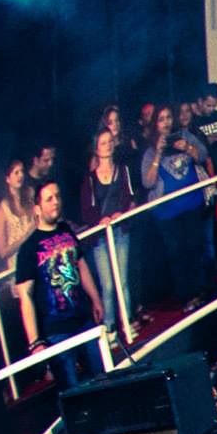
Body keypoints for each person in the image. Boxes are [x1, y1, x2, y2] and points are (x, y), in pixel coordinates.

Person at [14, 182, 105, 388]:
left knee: (102, 376)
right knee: (70, 388)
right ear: (37, 209)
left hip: (83, 320)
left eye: (57, 196)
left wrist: (95, 299)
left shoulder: (66, 231)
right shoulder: (29, 248)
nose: (56, 202)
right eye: (49, 199)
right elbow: (25, 295)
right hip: (56, 330)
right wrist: (35, 342)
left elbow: (81, 265)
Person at [140, 105, 214, 307]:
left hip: (192, 204)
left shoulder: (184, 135)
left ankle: (202, 292)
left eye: (168, 117)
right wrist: (158, 154)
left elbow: (203, 155)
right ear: (155, 124)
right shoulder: (150, 150)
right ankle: (186, 297)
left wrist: (188, 147)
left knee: (196, 247)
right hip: (168, 212)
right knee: (177, 253)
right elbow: (147, 182)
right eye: (161, 119)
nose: (165, 122)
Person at [80, 128, 137, 339]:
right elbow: (86, 211)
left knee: (122, 281)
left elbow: (131, 198)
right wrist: (100, 220)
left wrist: (122, 214)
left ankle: (127, 322)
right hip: (101, 238)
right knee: (107, 285)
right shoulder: (90, 179)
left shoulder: (123, 171)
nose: (108, 146)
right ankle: (110, 327)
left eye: (110, 141)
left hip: (120, 232)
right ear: (96, 148)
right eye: (103, 143)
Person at [0, 159, 34, 265]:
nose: (20, 175)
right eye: (16, 172)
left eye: (22, 171)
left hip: (36, 255)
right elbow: (2, 252)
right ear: (8, 178)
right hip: (18, 263)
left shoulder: (30, 196)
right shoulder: (2, 210)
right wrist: (26, 236)